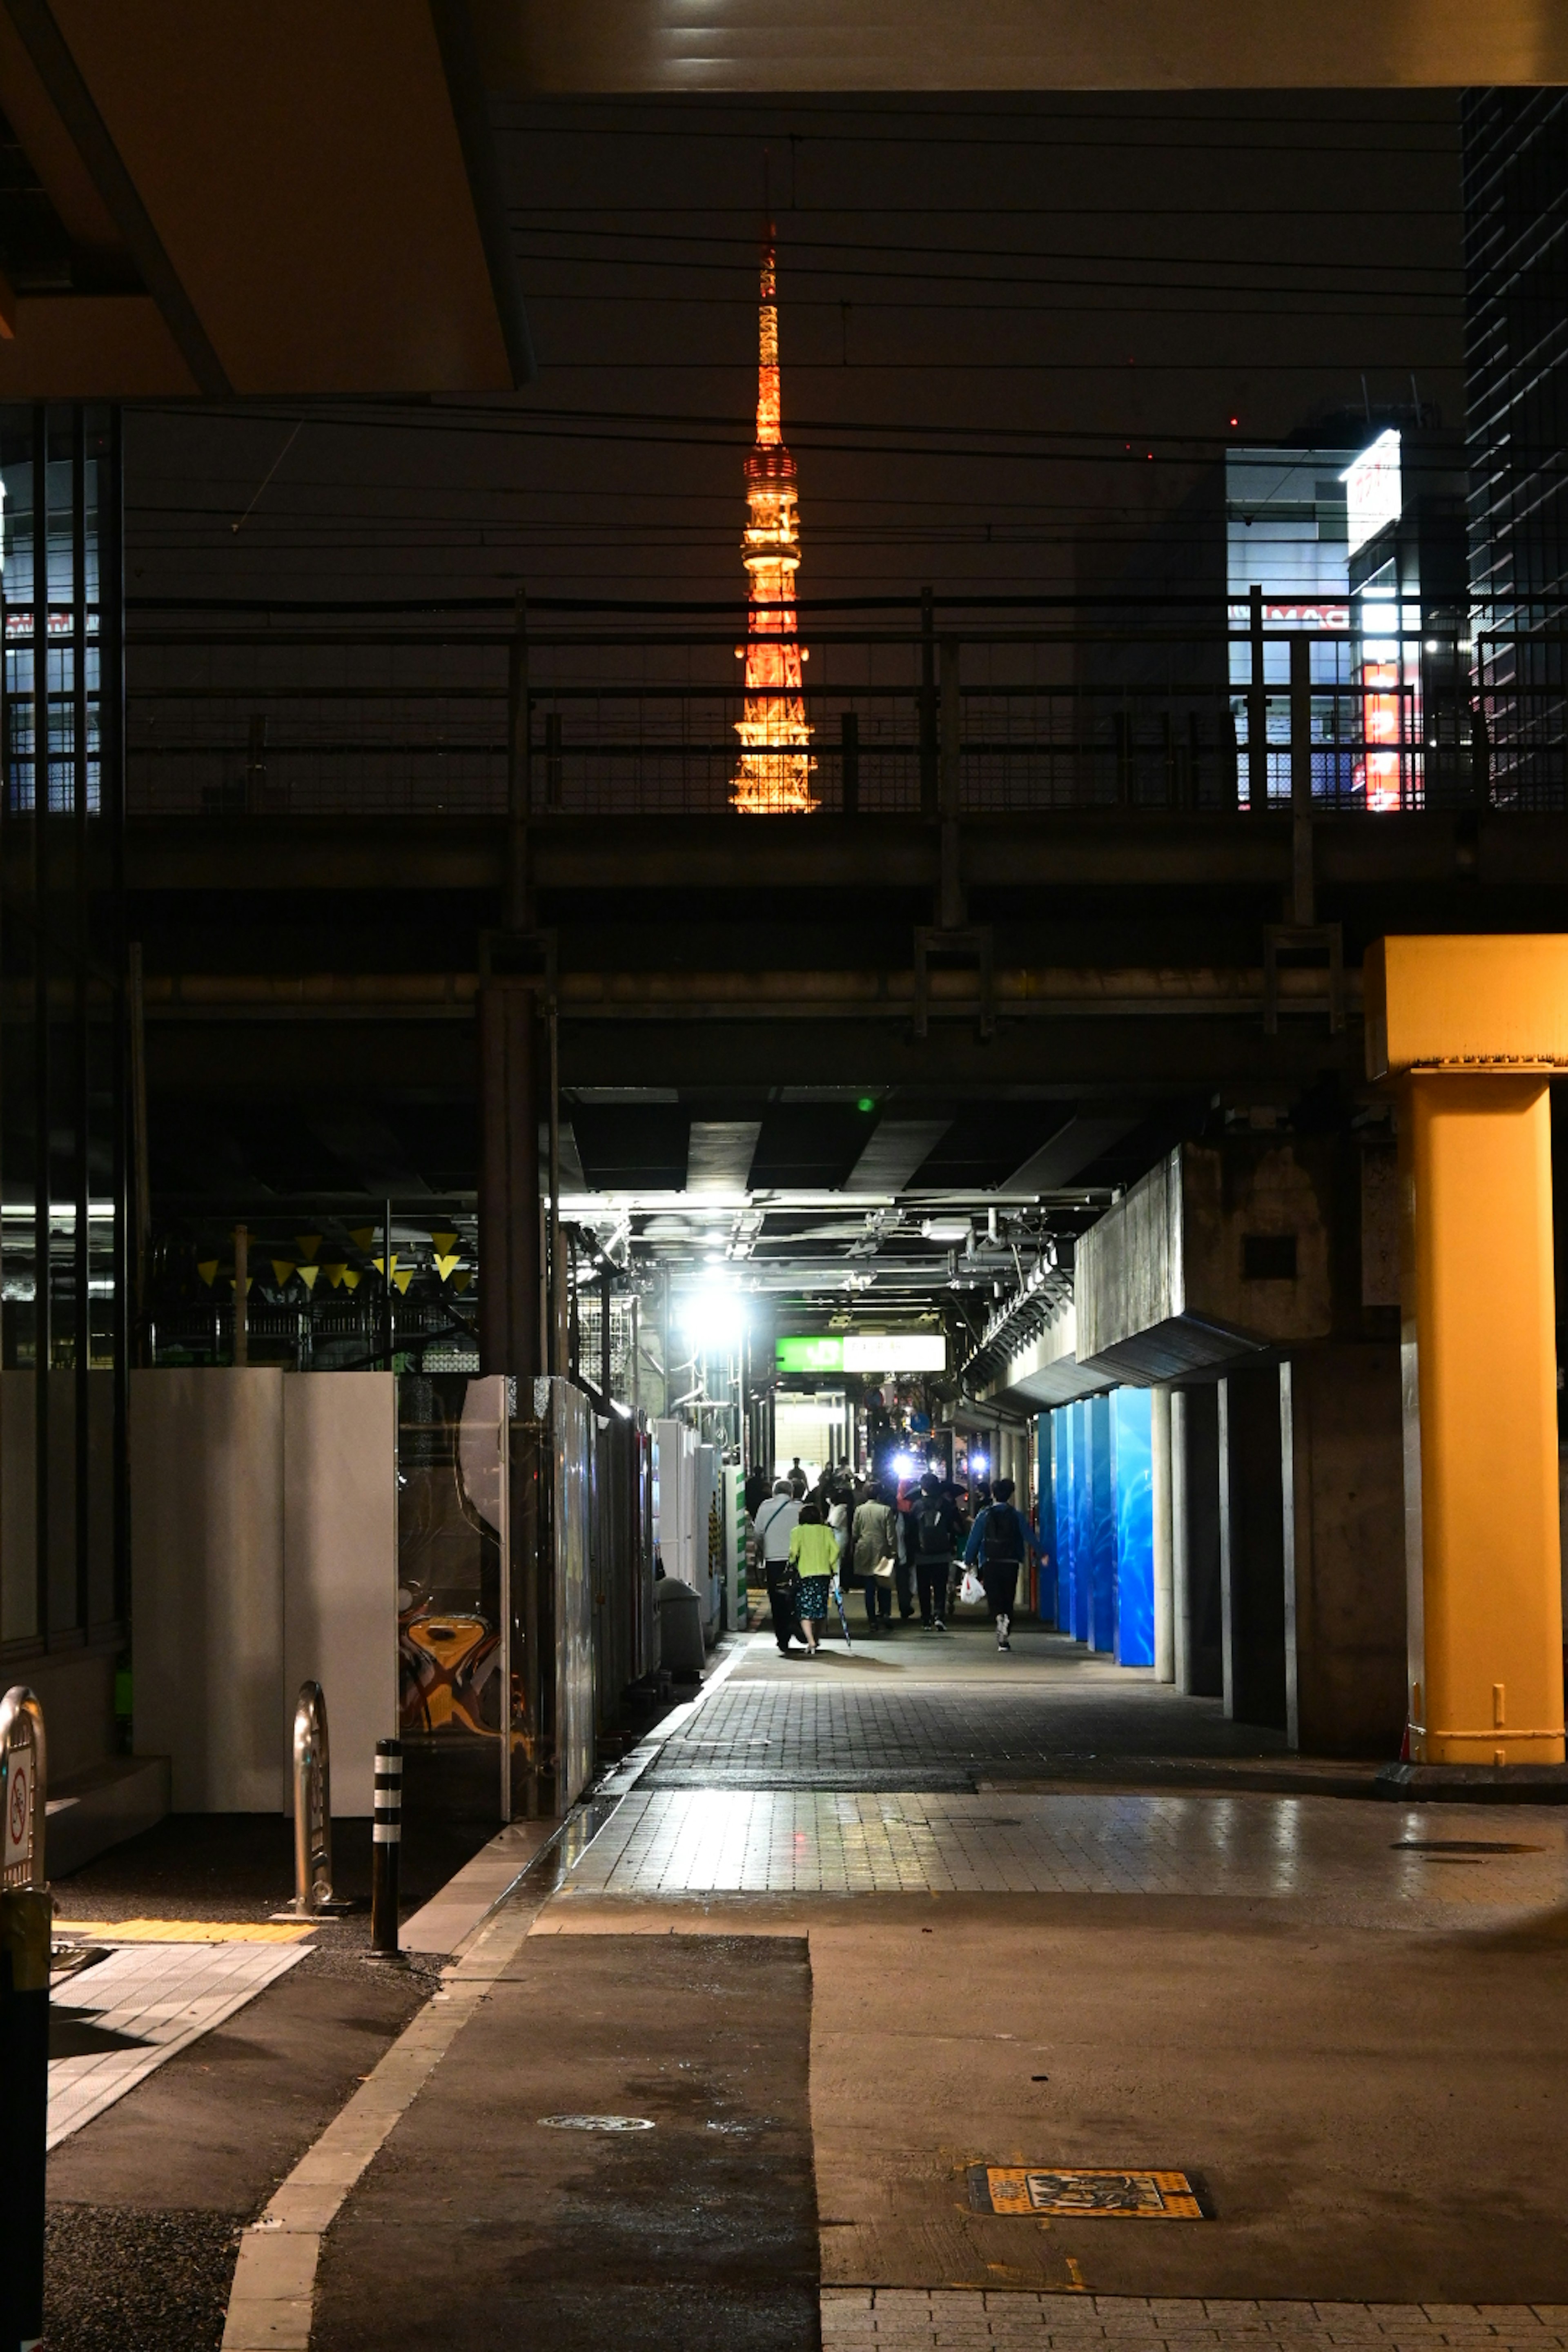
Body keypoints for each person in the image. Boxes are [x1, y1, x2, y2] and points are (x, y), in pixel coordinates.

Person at [963, 1476, 1040, 1651]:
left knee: (995, 1596)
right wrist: (1041, 1553)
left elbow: (974, 1540)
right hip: (1011, 1561)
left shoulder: (984, 1515)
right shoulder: (1016, 1516)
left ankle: (999, 1617)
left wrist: (969, 1560)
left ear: (994, 1495)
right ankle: (1005, 1634)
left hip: (990, 1561)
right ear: (1011, 1495)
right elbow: (1029, 1536)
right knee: (1008, 1596)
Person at [754, 1479, 803, 1654]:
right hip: (797, 1561)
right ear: (791, 1493)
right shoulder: (799, 1508)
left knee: (777, 1600)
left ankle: (783, 1639)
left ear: (774, 1493)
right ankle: (797, 1624)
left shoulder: (765, 1507)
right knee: (797, 1595)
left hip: (773, 1560)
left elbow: (758, 1534)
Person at [787, 1501, 839, 1655]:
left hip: (806, 1575)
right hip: (823, 1575)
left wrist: (792, 1561)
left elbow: (794, 1552)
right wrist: (831, 1564)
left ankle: (810, 1641)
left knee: (805, 1609)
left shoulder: (797, 1532)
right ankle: (817, 1639)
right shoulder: (826, 1531)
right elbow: (836, 1550)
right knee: (820, 1608)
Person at [909, 1471, 960, 1630]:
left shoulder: (917, 1506)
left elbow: (911, 1530)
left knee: (924, 1587)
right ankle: (939, 1615)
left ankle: (926, 1619)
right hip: (942, 1553)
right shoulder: (945, 1504)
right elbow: (954, 1527)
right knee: (940, 1586)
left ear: (922, 1487)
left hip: (922, 1554)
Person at [851, 1480, 899, 1633]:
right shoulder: (886, 1510)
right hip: (882, 1550)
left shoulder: (860, 1510)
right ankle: (885, 1614)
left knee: (869, 1585)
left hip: (865, 1549)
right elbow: (891, 1534)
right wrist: (894, 1551)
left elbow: (855, 1532)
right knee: (884, 1584)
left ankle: (872, 1619)